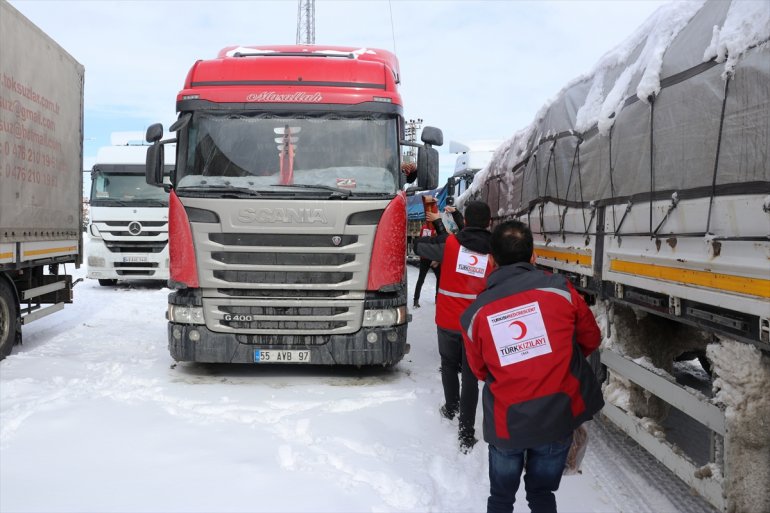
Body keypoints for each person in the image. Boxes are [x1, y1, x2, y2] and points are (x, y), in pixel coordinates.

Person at [459, 220, 604, 513]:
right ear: (533, 257)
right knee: (541, 495)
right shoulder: (561, 291)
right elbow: (591, 338)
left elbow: (480, 371)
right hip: (556, 417)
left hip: (506, 423)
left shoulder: (476, 314)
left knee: (501, 499)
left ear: (491, 261)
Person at [413, 200, 493, 453]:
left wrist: (427, 230)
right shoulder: (495, 251)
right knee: (470, 376)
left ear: (466, 222)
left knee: (448, 365)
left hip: (448, 320)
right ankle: (466, 433)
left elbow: (420, 247)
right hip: (475, 325)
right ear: (489, 223)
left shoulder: (449, 244)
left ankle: (451, 408)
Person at [412, 218, 440, 308]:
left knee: (421, 279)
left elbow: (421, 241)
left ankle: (416, 301)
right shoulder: (436, 229)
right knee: (438, 278)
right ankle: (437, 299)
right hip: (432, 257)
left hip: (425, 257)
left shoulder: (424, 227)